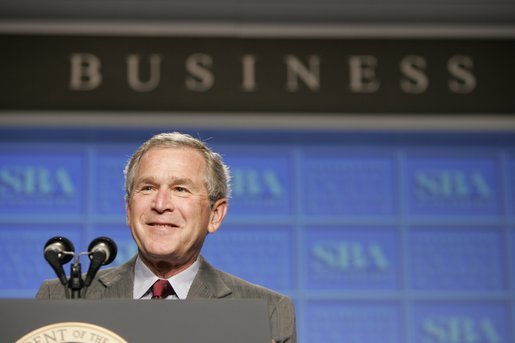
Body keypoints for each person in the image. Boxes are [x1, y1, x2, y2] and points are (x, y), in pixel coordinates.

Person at [36, 132, 296, 343]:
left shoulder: (267, 311)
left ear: (215, 214)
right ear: (129, 210)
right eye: (147, 188)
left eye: (180, 189)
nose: (161, 204)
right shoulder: (60, 297)